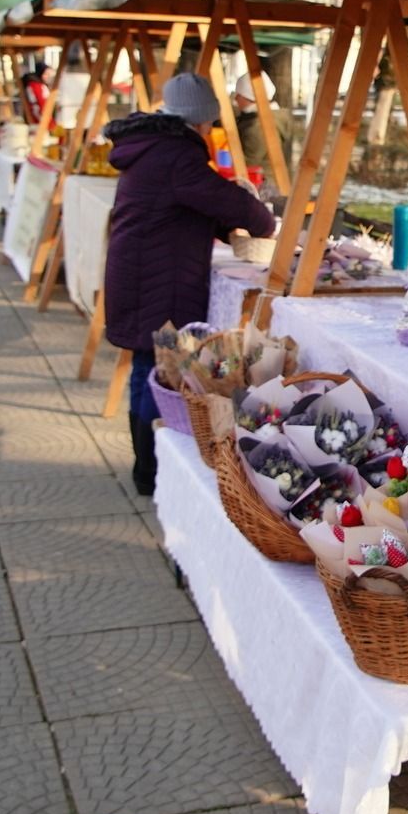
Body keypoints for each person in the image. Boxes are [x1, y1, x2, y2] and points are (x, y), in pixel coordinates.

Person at [103, 73, 275, 496]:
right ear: (200, 120)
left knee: (147, 368)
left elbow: (191, 207)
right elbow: (234, 207)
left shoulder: (154, 149)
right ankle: (150, 472)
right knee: (156, 371)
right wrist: (260, 216)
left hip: (141, 273)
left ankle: (146, 467)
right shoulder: (177, 156)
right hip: (154, 281)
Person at [230, 69, 284, 185]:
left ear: (248, 97)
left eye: (238, 95)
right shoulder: (259, 118)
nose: (236, 99)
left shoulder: (258, 125)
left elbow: (248, 163)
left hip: (263, 185)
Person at [22, 63, 50, 128]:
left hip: (43, 112)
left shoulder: (40, 84)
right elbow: (40, 101)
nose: (47, 76)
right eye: (46, 74)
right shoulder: (35, 85)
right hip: (39, 114)